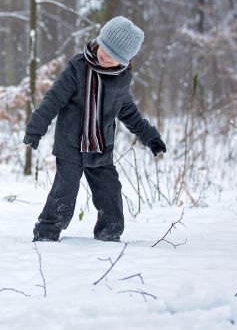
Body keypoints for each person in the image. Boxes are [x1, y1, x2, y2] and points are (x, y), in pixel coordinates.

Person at [23, 16, 166, 243]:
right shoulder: (77, 68)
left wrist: (150, 137)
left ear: (125, 61)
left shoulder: (121, 78)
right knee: (64, 190)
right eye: (105, 50)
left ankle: (109, 233)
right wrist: (35, 128)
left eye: (114, 57)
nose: (105, 58)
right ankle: (47, 233)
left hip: (101, 147)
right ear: (99, 41)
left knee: (110, 190)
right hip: (71, 144)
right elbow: (54, 99)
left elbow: (128, 111)